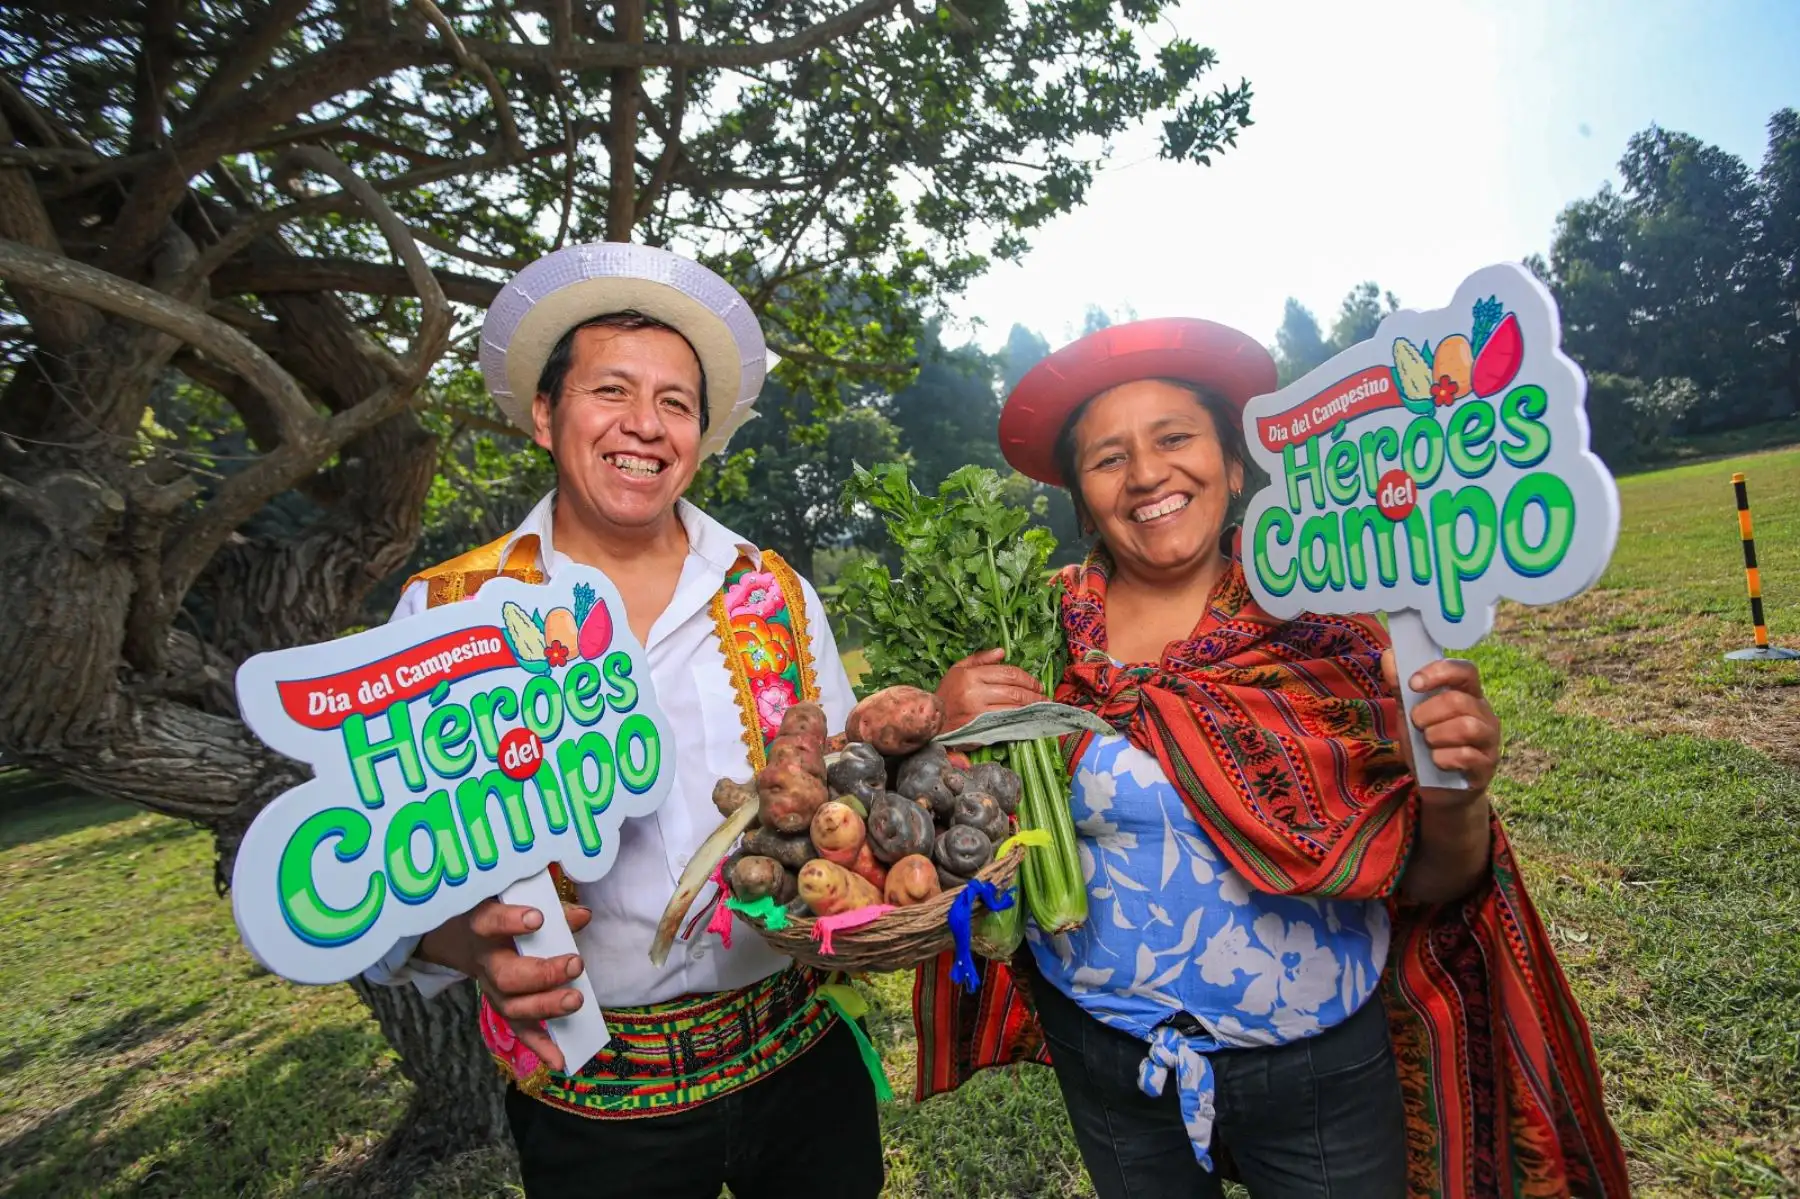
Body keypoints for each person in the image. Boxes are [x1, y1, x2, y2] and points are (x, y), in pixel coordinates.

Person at [921, 318, 1628, 1198]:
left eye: (1174, 437)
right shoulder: (1035, 632)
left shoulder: (1326, 625)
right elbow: (960, 832)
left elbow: (1433, 881)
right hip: (1107, 1055)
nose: (1146, 474)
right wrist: (948, 727)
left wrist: (1456, 793)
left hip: (1317, 1073)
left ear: (1235, 463)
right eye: (1108, 457)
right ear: (1083, 498)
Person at [362, 244, 883, 1199]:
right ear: (545, 414)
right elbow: (392, 870)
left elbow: (851, 794)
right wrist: (464, 943)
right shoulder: (447, 616)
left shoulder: (770, 591)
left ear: (699, 434)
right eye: (611, 390)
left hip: (802, 1053)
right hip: (592, 1095)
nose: (645, 424)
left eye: (675, 402)